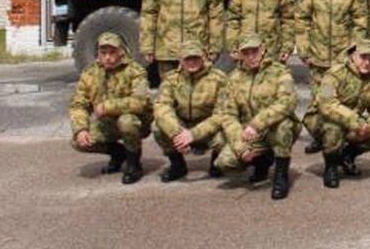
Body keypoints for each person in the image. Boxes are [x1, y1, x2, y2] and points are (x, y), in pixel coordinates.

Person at [295, 0, 368, 153]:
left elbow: (360, 22)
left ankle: (342, 139)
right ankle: (319, 136)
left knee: (342, 100)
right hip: (318, 57)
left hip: (342, 59)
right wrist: (303, 49)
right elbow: (301, 19)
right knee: (319, 100)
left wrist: (355, 51)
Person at [215, 34, 300, 200]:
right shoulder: (234, 78)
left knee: (283, 128)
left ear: (263, 50)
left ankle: (281, 176)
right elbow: (228, 114)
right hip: (250, 133)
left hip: (274, 127)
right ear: (239, 55)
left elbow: (287, 102)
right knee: (224, 162)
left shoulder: (279, 72)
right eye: (246, 53)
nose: (251, 56)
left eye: (255, 51)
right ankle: (263, 161)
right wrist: (241, 147)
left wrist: (257, 124)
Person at [303, 40, 370, 188]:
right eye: (363, 57)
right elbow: (326, 104)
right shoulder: (334, 73)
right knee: (333, 128)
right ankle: (331, 167)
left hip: (352, 123)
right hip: (320, 119)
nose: (367, 63)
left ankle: (347, 156)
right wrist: (356, 122)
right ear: (353, 56)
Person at [69, 32, 152, 185]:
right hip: (107, 124)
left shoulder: (135, 71)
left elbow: (140, 102)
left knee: (126, 121)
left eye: (112, 52)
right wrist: (80, 128)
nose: (108, 57)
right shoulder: (90, 74)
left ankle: (134, 164)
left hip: (136, 122)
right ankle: (119, 153)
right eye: (103, 53)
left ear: (121, 51)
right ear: (98, 53)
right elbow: (78, 105)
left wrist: (107, 106)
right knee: (77, 141)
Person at [152, 39, 229, 182]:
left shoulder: (219, 78)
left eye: (196, 58)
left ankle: (216, 163)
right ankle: (177, 165)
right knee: (157, 127)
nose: (192, 62)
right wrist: (176, 133)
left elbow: (222, 114)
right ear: (180, 60)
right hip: (182, 126)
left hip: (208, 127)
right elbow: (162, 106)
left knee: (225, 134)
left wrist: (193, 134)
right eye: (188, 58)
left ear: (204, 57)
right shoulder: (171, 79)